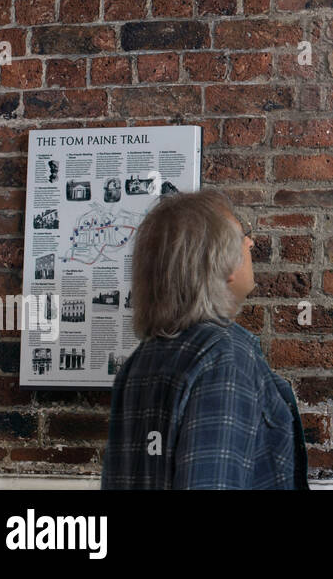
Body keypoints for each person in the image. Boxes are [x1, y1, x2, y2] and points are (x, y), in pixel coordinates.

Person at [102, 189, 308, 489]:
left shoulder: (141, 361)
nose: (250, 242)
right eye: (240, 235)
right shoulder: (225, 359)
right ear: (218, 262)